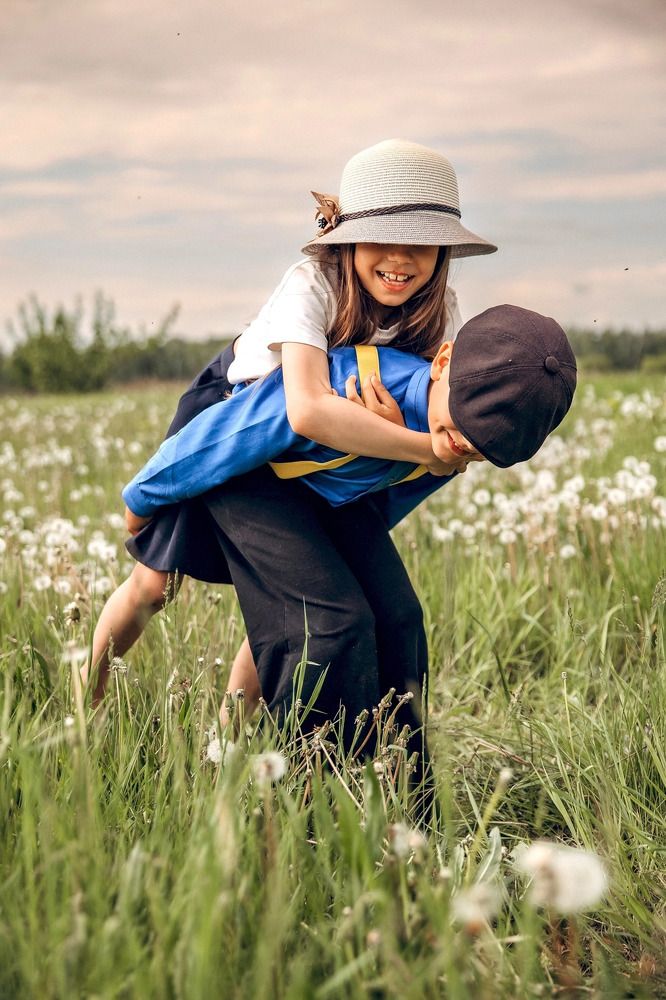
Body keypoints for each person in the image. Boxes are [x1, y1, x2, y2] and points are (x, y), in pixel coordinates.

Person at [85, 138, 498, 792]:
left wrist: (446, 441)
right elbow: (303, 409)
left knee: (291, 591)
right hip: (236, 430)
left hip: (325, 462)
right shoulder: (313, 285)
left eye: (421, 243)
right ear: (346, 236)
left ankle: (227, 738)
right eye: (384, 238)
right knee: (153, 584)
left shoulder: (437, 315)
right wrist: (420, 447)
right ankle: (89, 697)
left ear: (445, 250)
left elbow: (436, 412)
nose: (400, 259)